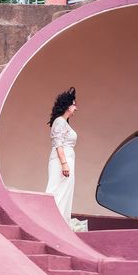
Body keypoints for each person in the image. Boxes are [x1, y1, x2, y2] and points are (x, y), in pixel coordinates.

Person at [45, 87, 87, 232]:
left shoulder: (65, 123)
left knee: (65, 191)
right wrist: (64, 164)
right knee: (57, 191)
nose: (76, 108)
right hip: (61, 161)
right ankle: (52, 222)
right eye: (74, 104)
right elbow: (58, 144)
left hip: (68, 159)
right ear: (68, 106)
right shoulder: (59, 121)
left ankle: (59, 222)